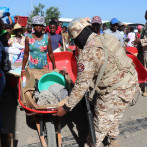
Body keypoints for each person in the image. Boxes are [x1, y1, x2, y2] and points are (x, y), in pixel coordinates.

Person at [53, 18, 139, 147]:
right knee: (114, 116)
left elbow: (81, 86)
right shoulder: (108, 38)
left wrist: (65, 108)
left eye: (75, 40)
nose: (76, 43)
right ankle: (113, 142)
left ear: (78, 36)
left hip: (115, 91)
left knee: (97, 131)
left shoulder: (87, 53)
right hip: (131, 84)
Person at [134, 10, 147, 96]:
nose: (144, 16)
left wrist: (140, 40)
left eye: (146, 14)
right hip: (142, 50)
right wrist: (137, 43)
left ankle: (146, 89)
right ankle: (142, 87)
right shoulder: (145, 25)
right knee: (142, 69)